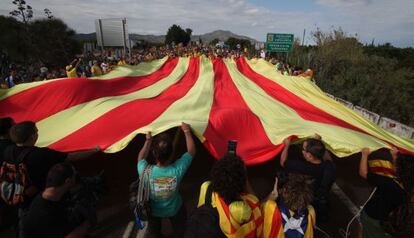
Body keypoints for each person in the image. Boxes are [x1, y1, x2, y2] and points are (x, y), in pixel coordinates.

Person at [137, 123, 196, 238]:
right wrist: (187, 132)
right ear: (171, 153)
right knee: (180, 230)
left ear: (154, 153)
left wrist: (148, 141)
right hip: (175, 208)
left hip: (153, 211)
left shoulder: (145, 171)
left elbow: (140, 158)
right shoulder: (177, 170)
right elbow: (191, 151)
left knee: (155, 233)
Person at [185, 154, 263, 238]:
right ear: (241, 184)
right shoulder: (240, 209)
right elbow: (255, 202)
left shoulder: (206, 187)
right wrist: (246, 180)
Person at [22, 162, 91, 238]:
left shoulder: (50, 196)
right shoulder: (45, 212)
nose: (76, 178)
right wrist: (86, 222)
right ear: (67, 181)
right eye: (74, 176)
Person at [280, 135, 336, 222]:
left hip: (306, 203)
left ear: (309, 156)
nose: (302, 151)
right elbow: (329, 160)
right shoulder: (329, 168)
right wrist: (318, 144)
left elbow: (283, 162)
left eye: (303, 149)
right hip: (321, 202)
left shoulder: (302, 167)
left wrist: (287, 145)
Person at [358, 148, 409, 238]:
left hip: (374, 217)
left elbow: (363, 173)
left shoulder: (388, 183)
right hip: (391, 222)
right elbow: (399, 172)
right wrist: (394, 156)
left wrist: (364, 154)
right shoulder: (407, 186)